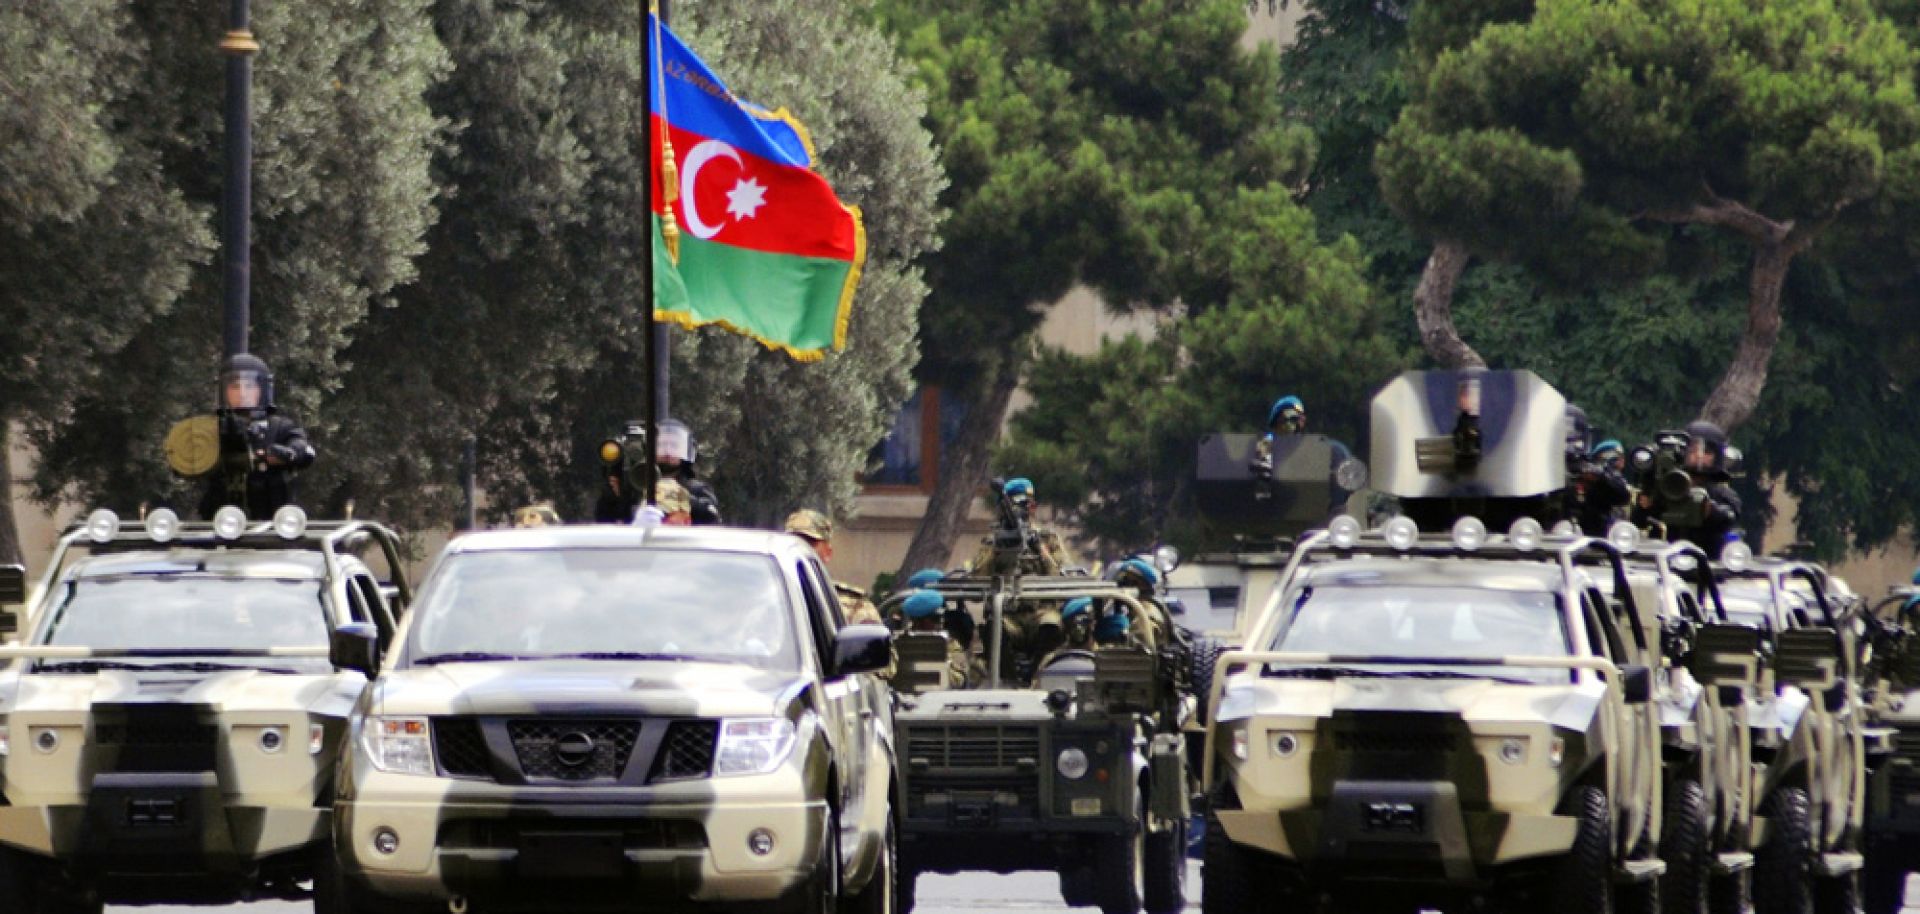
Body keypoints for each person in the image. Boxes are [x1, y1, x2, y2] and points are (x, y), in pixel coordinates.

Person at [198, 353, 316, 519]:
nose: (242, 393)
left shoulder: (279, 426)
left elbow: (303, 448)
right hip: (219, 520)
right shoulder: (209, 429)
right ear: (223, 391)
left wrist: (287, 453)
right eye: (235, 387)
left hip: (274, 522)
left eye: (249, 386)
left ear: (262, 389)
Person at [785, 509, 880, 625]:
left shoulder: (855, 606)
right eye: (793, 541)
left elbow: (869, 640)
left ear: (827, 553)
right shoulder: (768, 598)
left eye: (809, 542)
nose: (800, 547)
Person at [902, 589, 973, 689]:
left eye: (941, 618)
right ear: (918, 622)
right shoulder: (902, 643)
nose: (939, 623)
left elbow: (960, 680)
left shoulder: (950, 644)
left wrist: (939, 662)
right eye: (935, 619)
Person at [657, 419, 722, 525]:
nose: (667, 451)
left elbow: (711, 516)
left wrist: (679, 496)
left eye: (674, 446)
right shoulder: (635, 487)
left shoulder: (697, 489)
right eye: (662, 445)